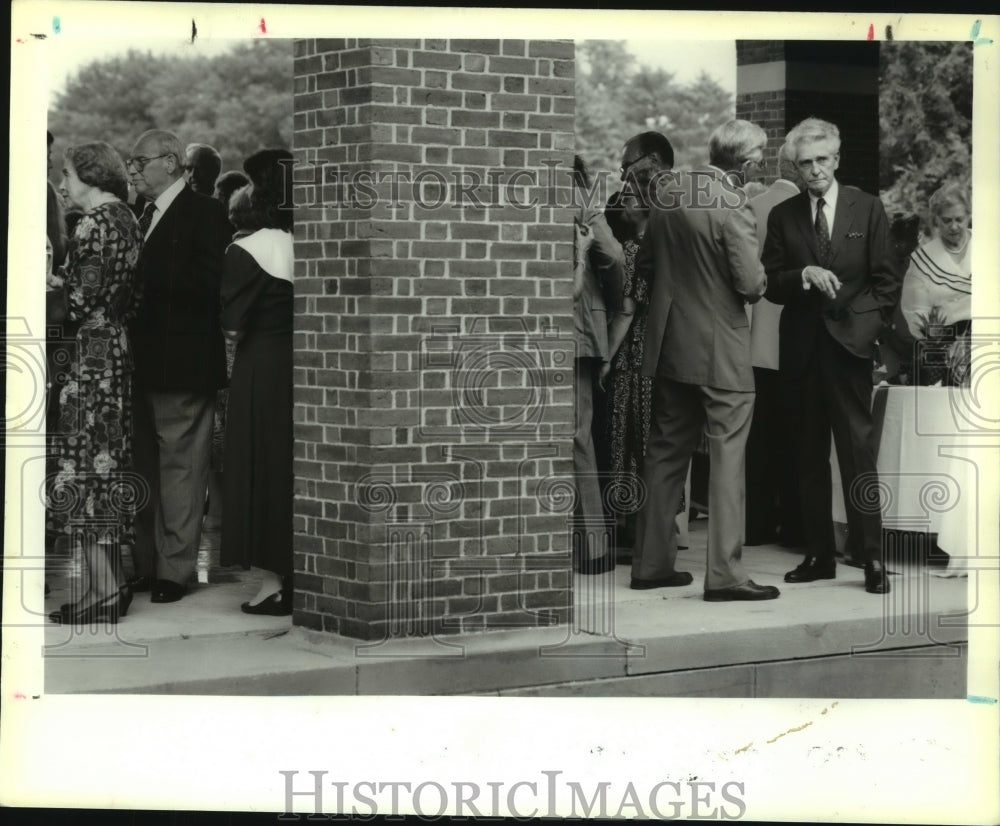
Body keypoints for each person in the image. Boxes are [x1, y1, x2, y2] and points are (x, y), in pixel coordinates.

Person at [631, 119, 779, 601]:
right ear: (749, 162)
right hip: (721, 350)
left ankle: (651, 564)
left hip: (670, 343)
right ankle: (727, 575)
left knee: (665, 454)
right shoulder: (733, 204)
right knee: (728, 458)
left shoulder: (669, 193)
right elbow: (751, 285)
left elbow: (647, 264)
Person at [762, 118, 899, 594]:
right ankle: (819, 554)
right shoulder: (784, 215)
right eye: (805, 163)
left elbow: (886, 284)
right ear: (795, 168)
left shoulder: (868, 207)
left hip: (850, 351)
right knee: (808, 457)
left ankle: (871, 556)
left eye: (822, 160)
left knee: (858, 455)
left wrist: (866, 334)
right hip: (801, 351)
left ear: (837, 159)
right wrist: (803, 273)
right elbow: (769, 283)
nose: (815, 170)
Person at [128, 129, 232, 604]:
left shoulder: (207, 213)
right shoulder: (138, 215)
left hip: (185, 360)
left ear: (170, 163)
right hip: (143, 361)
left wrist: (145, 282)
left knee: (182, 470)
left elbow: (212, 284)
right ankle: (149, 565)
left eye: (139, 161)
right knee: (146, 469)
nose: (133, 170)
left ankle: (175, 570)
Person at [46, 141, 143, 624]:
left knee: (82, 466)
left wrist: (52, 280)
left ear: (89, 175)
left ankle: (104, 591)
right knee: (104, 467)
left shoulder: (92, 225)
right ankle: (108, 586)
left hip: (90, 355)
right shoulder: (128, 219)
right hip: (116, 349)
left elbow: (81, 302)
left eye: (66, 174)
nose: (62, 184)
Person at [220, 150, 295, 614]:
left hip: (259, 365)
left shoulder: (245, 249)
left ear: (259, 190)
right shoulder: (307, 242)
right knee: (287, 466)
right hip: (299, 364)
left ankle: (272, 582)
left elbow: (232, 326)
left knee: (259, 466)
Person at [744, 142, 804, 547]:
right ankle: (796, 523)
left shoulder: (753, 206)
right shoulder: (807, 211)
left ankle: (758, 523)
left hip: (757, 337)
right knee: (798, 437)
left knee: (759, 438)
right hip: (799, 337)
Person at [572, 155, 625, 575]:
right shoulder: (580, 195)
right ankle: (592, 549)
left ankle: (584, 546)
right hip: (578, 328)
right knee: (578, 436)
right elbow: (614, 256)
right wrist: (607, 303)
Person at [899, 182, 972, 385]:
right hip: (941, 349)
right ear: (935, 220)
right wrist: (945, 344)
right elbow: (917, 314)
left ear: (969, 215)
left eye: (960, 219)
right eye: (947, 220)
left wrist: (970, 341)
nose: (954, 226)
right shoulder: (922, 260)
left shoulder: (987, 247)